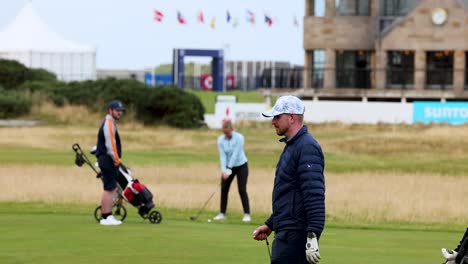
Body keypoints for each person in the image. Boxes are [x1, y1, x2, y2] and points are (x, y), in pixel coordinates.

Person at [252, 95, 325, 264]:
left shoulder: (306, 147)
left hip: (296, 235)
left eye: (277, 116)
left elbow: (314, 194)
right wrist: (271, 224)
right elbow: (289, 192)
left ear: (291, 117)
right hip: (286, 231)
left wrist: (313, 235)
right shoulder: (292, 146)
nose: (273, 121)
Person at [213, 118, 251, 222]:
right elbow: (222, 156)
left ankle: (247, 214)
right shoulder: (221, 139)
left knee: (242, 189)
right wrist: (224, 170)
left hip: (241, 165)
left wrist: (229, 168)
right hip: (228, 167)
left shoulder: (239, 138)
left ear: (231, 128)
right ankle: (222, 213)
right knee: (224, 188)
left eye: (227, 131)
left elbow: (236, 154)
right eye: (224, 132)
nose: (226, 134)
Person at [95, 99, 126, 226]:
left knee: (111, 187)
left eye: (121, 111)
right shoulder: (108, 123)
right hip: (108, 159)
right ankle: (106, 217)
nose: (119, 113)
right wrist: (117, 160)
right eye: (117, 110)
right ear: (110, 110)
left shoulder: (111, 122)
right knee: (110, 188)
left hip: (107, 159)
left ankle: (107, 216)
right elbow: (111, 145)